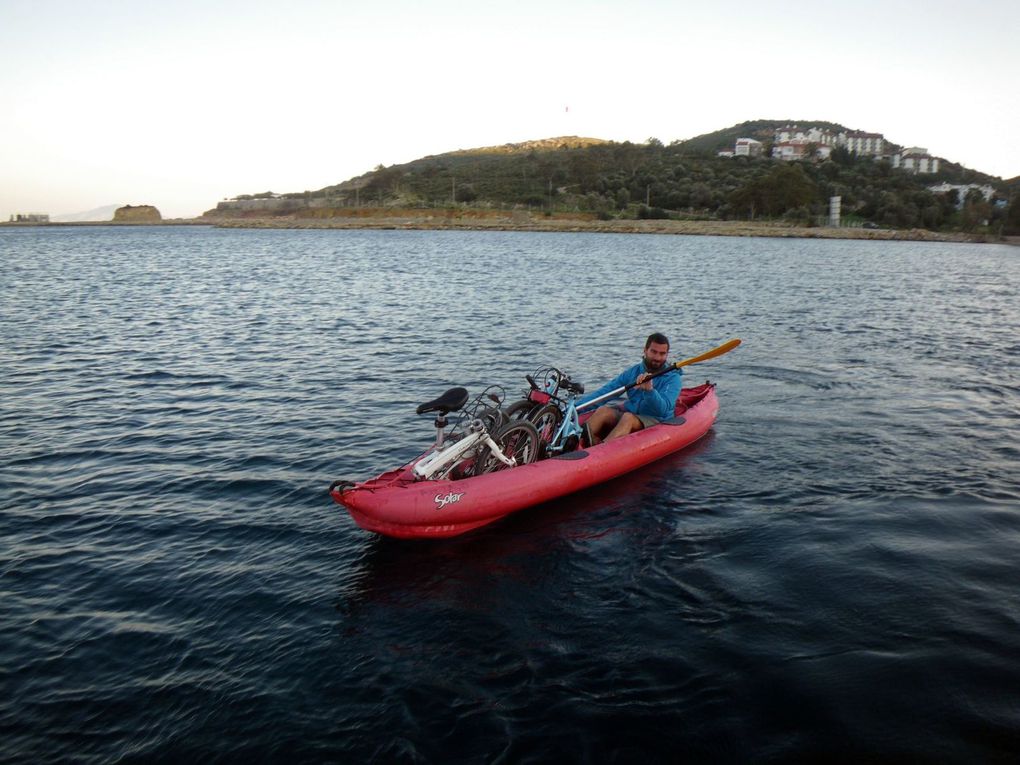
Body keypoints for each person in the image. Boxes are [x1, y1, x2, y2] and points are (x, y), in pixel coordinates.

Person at [579, 333, 681, 445]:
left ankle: (600, 450)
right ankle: (574, 444)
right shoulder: (633, 372)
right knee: (603, 411)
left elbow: (662, 410)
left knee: (628, 418)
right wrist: (575, 408)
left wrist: (650, 392)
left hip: (656, 419)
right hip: (633, 413)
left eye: (662, 354)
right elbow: (606, 392)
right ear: (645, 350)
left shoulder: (673, 378)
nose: (657, 358)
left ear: (667, 355)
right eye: (653, 352)